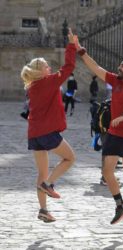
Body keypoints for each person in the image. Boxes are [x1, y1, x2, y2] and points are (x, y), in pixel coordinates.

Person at [75, 37, 123, 227]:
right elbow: (96, 68)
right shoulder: (115, 80)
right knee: (107, 171)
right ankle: (120, 205)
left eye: (122, 66)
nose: (119, 68)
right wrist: (80, 51)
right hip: (113, 133)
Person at [20, 28, 77, 223]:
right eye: (46, 66)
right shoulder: (48, 82)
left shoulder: (32, 86)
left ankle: (43, 210)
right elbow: (68, 66)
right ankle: (49, 184)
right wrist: (71, 44)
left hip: (34, 134)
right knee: (69, 158)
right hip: (46, 132)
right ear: (40, 71)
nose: (50, 68)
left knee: (42, 173)